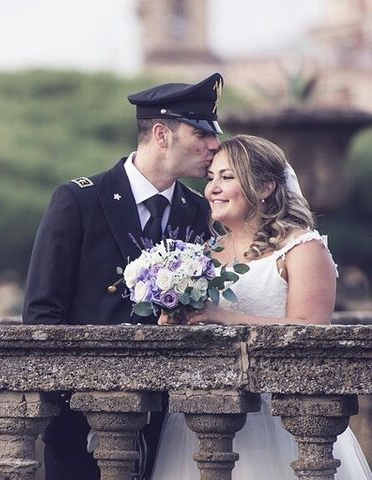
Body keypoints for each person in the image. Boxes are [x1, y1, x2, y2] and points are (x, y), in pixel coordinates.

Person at [23, 73, 224, 480]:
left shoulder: (200, 211)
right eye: (200, 132)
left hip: (172, 426)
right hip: (82, 421)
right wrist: (76, 397)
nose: (214, 146)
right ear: (162, 134)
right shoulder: (79, 199)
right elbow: (43, 313)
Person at [153, 135, 372, 479]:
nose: (212, 188)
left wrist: (225, 319)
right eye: (211, 178)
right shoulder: (200, 256)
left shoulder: (302, 248)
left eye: (227, 177)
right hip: (203, 416)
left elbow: (312, 329)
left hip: (280, 419)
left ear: (266, 186)